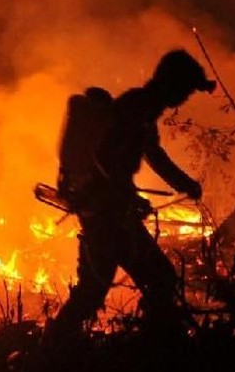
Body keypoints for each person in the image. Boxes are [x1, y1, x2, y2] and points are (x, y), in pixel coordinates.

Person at [46, 48, 216, 341]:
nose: (185, 98)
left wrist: (185, 184)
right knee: (136, 282)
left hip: (111, 213)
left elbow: (153, 154)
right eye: (186, 90)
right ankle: (54, 349)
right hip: (105, 214)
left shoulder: (143, 110)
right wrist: (129, 195)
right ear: (172, 84)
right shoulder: (135, 108)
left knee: (149, 280)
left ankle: (150, 343)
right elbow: (104, 157)